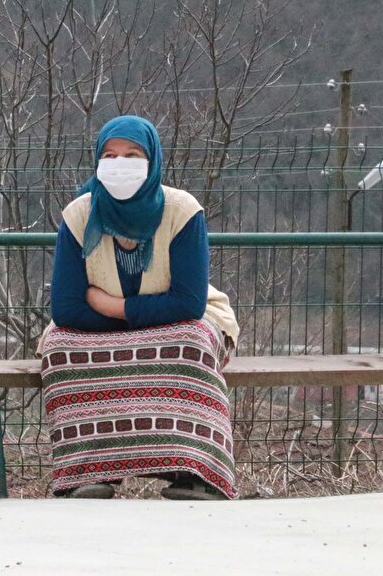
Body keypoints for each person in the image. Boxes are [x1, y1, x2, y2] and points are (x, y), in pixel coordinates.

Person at [40, 115, 240, 501]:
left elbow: (189, 303)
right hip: (121, 325)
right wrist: (139, 319)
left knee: (191, 343)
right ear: (97, 161)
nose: (120, 165)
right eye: (110, 156)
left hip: (175, 323)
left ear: (153, 161)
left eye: (132, 155)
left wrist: (114, 306)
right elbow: (65, 310)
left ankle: (194, 473)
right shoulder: (79, 215)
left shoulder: (182, 211)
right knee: (60, 348)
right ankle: (87, 474)